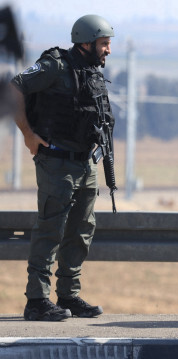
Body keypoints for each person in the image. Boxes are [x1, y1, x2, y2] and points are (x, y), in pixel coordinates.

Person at [11, 14, 116, 321]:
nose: (108, 50)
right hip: (56, 162)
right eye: (104, 44)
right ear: (86, 42)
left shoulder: (92, 71)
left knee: (82, 230)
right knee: (51, 227)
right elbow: (15, 87)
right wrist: (28, 135)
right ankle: (37, 300)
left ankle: (68, 295)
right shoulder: (55, 66)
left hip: (85, 162)